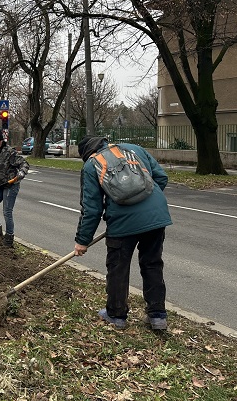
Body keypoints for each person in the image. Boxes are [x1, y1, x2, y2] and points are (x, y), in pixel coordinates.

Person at [74, 136, 172, 330]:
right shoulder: (134, 149)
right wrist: (144, 204)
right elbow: (161, 177)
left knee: (118, 267)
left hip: (122, 224)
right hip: (156, 217)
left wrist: (82, 241)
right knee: (152, 264)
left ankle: (116, 315)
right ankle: (157, 315)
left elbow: (92, 209)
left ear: (86, 153)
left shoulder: (91, 165)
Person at [0, 128, 29, 247]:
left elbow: (24, 164)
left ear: (1, 140)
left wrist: (21, 173)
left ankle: (9, 240)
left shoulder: (10, 152)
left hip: (11, 185)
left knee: (7, 212)